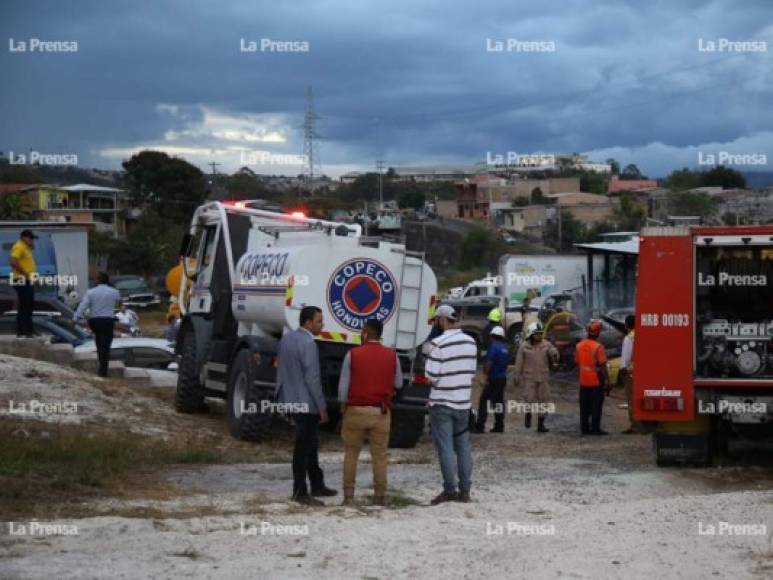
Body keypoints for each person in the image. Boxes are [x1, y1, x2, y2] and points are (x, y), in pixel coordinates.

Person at [337, 318, 403, 506]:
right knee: (380, 456)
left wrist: (343, 407)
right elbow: (398, 383)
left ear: (365, 332)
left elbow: (343, 387)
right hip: (380, 412)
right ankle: (379, 496)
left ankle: (348, 497)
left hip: (355, 410)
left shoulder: (353, 354)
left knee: (351, 453)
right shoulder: (392, 355)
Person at [276, 306, 337, 505]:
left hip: (290, 399)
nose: (322, 324)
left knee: (310, 444)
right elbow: (312, 378)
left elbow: (281, 371)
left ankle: (317, 484)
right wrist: (321, 406)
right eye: (319, 321)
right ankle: (300, 491)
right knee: (303, 447)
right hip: (306, 402)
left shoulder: (286, 339)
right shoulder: (309, 343)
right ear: (308, 322)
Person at [425, 304, 477, 504]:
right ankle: (465, 491)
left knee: (446, 447)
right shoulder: (471, 342)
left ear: (442, 319)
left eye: (436, 320)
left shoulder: (438, 344)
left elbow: (431, 376)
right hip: (463, 403)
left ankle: (450, 490)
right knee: (463, 446)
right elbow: (471, 373)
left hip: (442, 403)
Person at [514, 321, 559, 432]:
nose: (539, 336)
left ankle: (541, 424)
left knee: (544, 401)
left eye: (540, 333)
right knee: (528, 399)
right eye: (537, 334)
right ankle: (528, 415)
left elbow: (553, 351)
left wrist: (555, 354)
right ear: (530, 334)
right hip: (529, 379)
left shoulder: (546, 344)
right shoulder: (524, 347)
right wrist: (516, 376)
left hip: (543, 378)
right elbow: (518, 362)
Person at [75, 272, 121, 377]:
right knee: (106, 345)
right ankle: (103, 370)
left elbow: (83, 306)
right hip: (108, 321)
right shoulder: (114, 292)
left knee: (99, 342)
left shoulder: (90, 292)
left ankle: (101, 367)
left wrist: (76, 317)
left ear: (99, 280)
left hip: (95, 321)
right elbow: (119, 302)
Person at [575, 319, 611, 435]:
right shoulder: (598, 347)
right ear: (598, 333)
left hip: (583, 380)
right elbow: (603, 365)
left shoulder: (579, 345)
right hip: (596, 381)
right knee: (596, 406)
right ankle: (595, 429)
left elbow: (577, 362)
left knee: (584, 406)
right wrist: (607, 381)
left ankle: (584, 428)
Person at [474, 326, 509, 433]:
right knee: (498, 402)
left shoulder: (493, 348)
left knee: (484, 402)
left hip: (493, 379)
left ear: (492, 336)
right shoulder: (505, 348)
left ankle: (480, 426)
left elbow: (488, 364)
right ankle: (499, 425)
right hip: (502, 378)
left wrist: (484, 376)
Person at [9, 229, 38, 338]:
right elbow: (13, 261)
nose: (32, 241)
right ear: (24, 238)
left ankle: (29, 331)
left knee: (29, 305)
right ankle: (22, 332)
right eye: (31, 238)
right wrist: (25, 273)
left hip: (27, 279)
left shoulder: (25, 247)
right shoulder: (19, 246)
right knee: (25, 306)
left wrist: (31, 245)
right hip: (22, 279)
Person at [620, 314, 639, 434]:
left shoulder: (629, 338)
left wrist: (622, 371)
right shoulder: (644, 334)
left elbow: (625, 360)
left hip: (632, 373)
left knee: (632, 400)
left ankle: (634, 425)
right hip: (645, 373)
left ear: (626, 325)